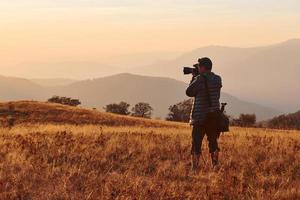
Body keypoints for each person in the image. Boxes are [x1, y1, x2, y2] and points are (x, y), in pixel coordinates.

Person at [186, 57, 222, 170]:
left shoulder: (199, 79)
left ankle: (194, 168)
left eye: (199, 66)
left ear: (202, 67)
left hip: (200, 117)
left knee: (196, 143)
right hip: (213, 117)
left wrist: (194, 77)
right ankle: (215, 165)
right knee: (213, 143)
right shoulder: (217, 79)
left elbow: (189, 92)